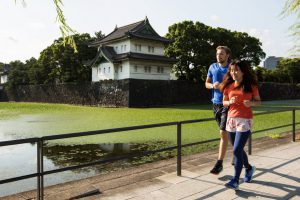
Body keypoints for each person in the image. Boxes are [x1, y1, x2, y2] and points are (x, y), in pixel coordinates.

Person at [220, 59, 261, 190]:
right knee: (238, 149)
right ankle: (249, 168)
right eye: (231, 70)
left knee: (237, 149)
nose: (233, 73)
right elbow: (224, 102)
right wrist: (230, 101)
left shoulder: (251, 85)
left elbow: (259, 102)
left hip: (245, 120)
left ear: (242, 71)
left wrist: (251, 103)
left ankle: (235, 180)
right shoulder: (228, 86)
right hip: (231, 120)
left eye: (236, 70)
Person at [205, 46, 231, 175]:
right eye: (217, 54)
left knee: (222, 133)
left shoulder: (232, 67)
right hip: (215, 104)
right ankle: (238, 154)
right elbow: (206, 83)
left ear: (227, 55)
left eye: (221, 54)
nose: (219, 56)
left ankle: (219, 163)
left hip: (227, 104)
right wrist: (212, 85)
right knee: (227, 134)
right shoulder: (212, 67)